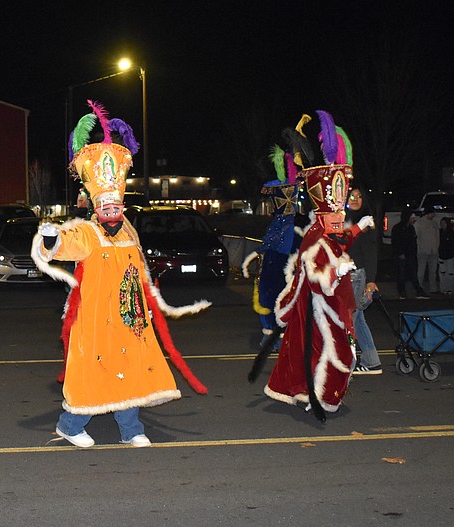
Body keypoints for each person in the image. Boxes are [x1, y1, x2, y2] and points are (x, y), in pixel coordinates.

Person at [32, 100, 209, 448]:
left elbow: (137, 266)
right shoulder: (87, 232)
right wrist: (51, 239)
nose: (111, 211)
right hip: (97, 319)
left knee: (132, 369)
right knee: (95, 371)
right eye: (105, 207)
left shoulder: (129, 232)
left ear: (122, 206)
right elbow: (61, 245)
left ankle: (130, 428)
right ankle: (70, 425)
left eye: (116, 206)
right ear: (95, 207)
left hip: (130, 317)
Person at [262, 110, 374, 420]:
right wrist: (335, 272)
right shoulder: (314, 234)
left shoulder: (331, 229)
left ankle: (319, 393)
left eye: (342, 217)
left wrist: (360, 227)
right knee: (334, 352)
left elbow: (341, 242)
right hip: (319, 307)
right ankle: (320, 396)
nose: (341, 220)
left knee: (335, 352)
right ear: (323, 214)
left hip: (336, 303)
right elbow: (312, 273)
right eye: (335, 216)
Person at [242, 144, 301, 352]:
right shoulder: (278, 221)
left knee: (278, 302)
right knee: (268, 301)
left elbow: (279, 245)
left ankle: (279, 340)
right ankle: (273, 338)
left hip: (282, 268)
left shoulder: (290, 224)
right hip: (271, 265)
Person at [345, 186, 383, 375]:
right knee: (358, 319)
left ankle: (347, 366)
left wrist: (371, 280)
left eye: (360, 196)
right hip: (347, 275)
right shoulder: (345, 219)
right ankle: (371, 361)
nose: (355, 199)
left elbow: (371, 252)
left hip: (356, 276)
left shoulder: (365, 222)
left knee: (349, 320)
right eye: (352, 196)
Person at [391, 210, 429, 300]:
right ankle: (402, 292)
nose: (414, 220)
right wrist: (400, 253)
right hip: (402, 255)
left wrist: (414, 253)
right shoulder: (397, 228)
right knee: (401, 274)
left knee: (413, 274)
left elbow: (413, 242)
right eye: (412, 218)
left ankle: (419, 291)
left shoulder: (411, 228)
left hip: (410, 255)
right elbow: (395, 242)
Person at [415, 208, 439, 294]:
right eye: (432, 214)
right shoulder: (420, 223)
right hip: (423, 250)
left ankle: (433, 288)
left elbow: (437, 237)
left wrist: (436, 247)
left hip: (433, 250)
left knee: (433, 271)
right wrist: (419, 247)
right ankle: (419, 287)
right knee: (421, 270)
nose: (433, 215)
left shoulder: (434, 223)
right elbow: (416, 237)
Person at [438, 217, 454, 295]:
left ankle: (450, 288)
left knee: (450, 273)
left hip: (450, 256)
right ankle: (443, 288)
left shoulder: (451, 233)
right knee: (442, 273)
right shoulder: (439, 232)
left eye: (444, 223)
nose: (443, 225)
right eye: (442, 223)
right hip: (441, 255)